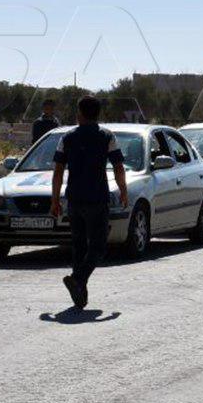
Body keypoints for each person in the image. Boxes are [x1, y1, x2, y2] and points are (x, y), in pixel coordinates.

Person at [50, 96, 129, 310]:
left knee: (79, 246)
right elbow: (119, 166)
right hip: (97, 198)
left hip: (74, 199)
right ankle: (79, 280)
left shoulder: (67, 138)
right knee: (99, 247)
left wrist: (55, 200)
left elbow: (58, 171)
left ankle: (79, 290)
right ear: (97, 114)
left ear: (80, 114)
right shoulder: (107, 136)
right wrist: (123, 191)